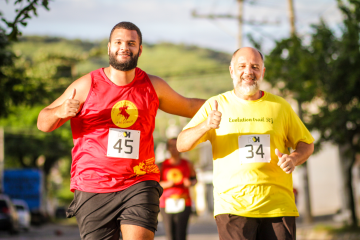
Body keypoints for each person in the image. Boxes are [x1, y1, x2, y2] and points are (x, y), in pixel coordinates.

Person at [37, 22, 204, 240]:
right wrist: (60, 110)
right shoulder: (87, 85)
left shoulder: (152, 86)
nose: (124, 47)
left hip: (139, 181)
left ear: (140, 50)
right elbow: (43, 122)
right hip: (93, 184)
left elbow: (190, 106)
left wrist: (231, 104)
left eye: (131, 43)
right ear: (109, 48)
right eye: (118, 42)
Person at [177, 47, 314, 240]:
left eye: (255, 67)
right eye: (242, 66)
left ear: (262, 72)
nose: (248, 72)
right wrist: (206, 125)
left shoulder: (280, 106)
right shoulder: (216, 104)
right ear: (232, 70)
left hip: (278, 206)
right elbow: (181, 144)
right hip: (233, 207)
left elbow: (306, 143)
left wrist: (294, 158)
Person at [158, 138, 197, 240]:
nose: (174, 148)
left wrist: (189, 182)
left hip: (184, 202)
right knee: (170, 234)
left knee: (181, 235)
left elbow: (194, 180)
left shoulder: (188, 164)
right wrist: (167, 184)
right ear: (168, 148)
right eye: (171, 146)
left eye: (176, 146)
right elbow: (156, 184)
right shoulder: (162, 165)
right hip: (166, 203)